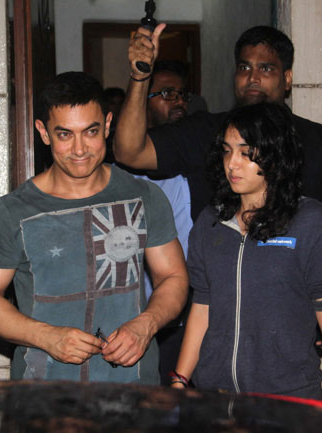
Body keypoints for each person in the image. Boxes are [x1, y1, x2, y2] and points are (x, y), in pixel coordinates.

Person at [114, 25, 322, 320]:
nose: (253, 78)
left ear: (287, 78)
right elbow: (129, 152)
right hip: (212, 318)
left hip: (292, 323)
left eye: (266, 68)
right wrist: (140, 75)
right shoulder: (205, 131)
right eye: (244, 67)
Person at [0, 71, 188, 384]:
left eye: (91, 132)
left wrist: (146, 325)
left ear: (107, 125)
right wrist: (46, 337)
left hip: (134, 390)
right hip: (43, 395)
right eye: (65, 135)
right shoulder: (11, 212)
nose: (80, 149)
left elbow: (173, 276)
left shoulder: (144, 196)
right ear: (43, 133)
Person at [171, 103, 322, 405]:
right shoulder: (210, 222)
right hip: (215, 399)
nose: (232, 164)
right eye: (227, 151)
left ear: (276, 155)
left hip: (287, 403)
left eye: (246, 153)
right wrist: (180, 380)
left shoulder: (310, 221)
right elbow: (203, 306)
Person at [129, 60, 195, 384]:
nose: (178, 101)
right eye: (167, 94)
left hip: (197, 316)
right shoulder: (126, 175)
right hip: (146, 320)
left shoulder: (200, 159)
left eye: (182, 94)